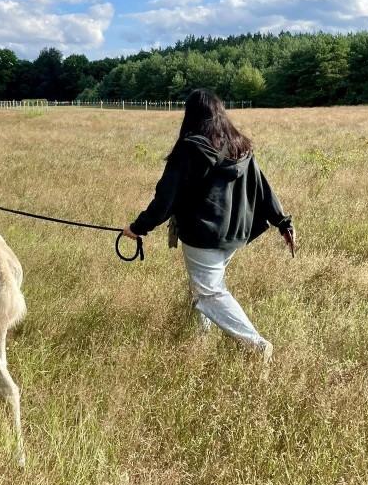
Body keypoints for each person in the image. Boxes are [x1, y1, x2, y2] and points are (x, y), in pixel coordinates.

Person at [121, 88, 295, 363]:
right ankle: (200, 339)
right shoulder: (241, 145)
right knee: (205, 286)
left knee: (209, 291)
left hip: (204, 235)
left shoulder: (189, 149)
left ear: (191, 115)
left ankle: (255, 345)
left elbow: (166, 197)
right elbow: (263, 187)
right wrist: (282, 222)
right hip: (234, 234)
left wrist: (139, 227)